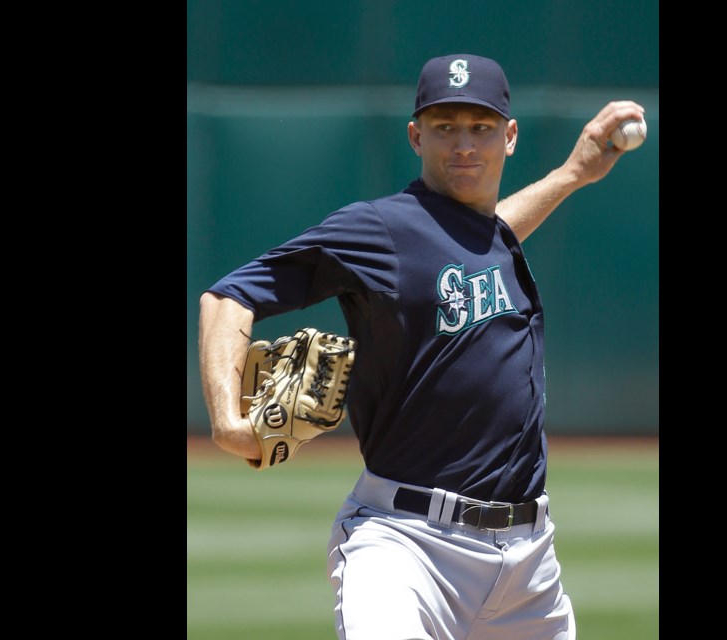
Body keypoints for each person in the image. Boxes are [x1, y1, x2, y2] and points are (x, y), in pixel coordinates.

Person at [199, 53, 645, 640]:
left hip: (530, 560)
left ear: (509, 138)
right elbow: (229, 296)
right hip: (407, 545)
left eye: (481, 127)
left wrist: (572, 174)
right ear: (415, 136)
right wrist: (228, 418)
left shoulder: (489, 239)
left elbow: (484, 240)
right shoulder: (378, 228)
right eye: (445, 127)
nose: (464, 144)